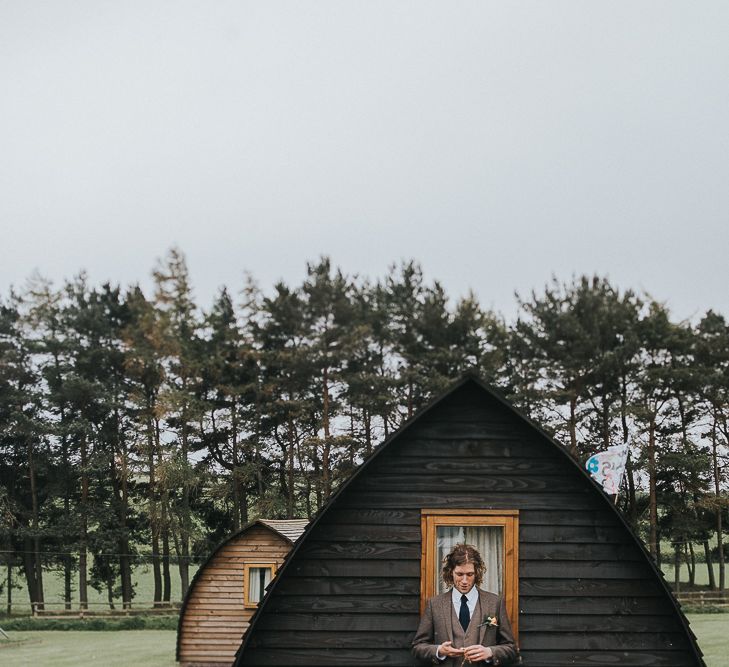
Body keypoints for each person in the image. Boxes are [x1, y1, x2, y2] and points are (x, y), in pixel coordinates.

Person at [412, 544, 516, 666]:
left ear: (476, 573)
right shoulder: (434, 604)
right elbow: (417, 647)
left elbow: (511, 648)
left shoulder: (495, 603)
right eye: (460, 574)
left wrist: (489, 652)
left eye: (470, 574)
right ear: (451, 572)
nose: (465, 581)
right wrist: (439, 650)